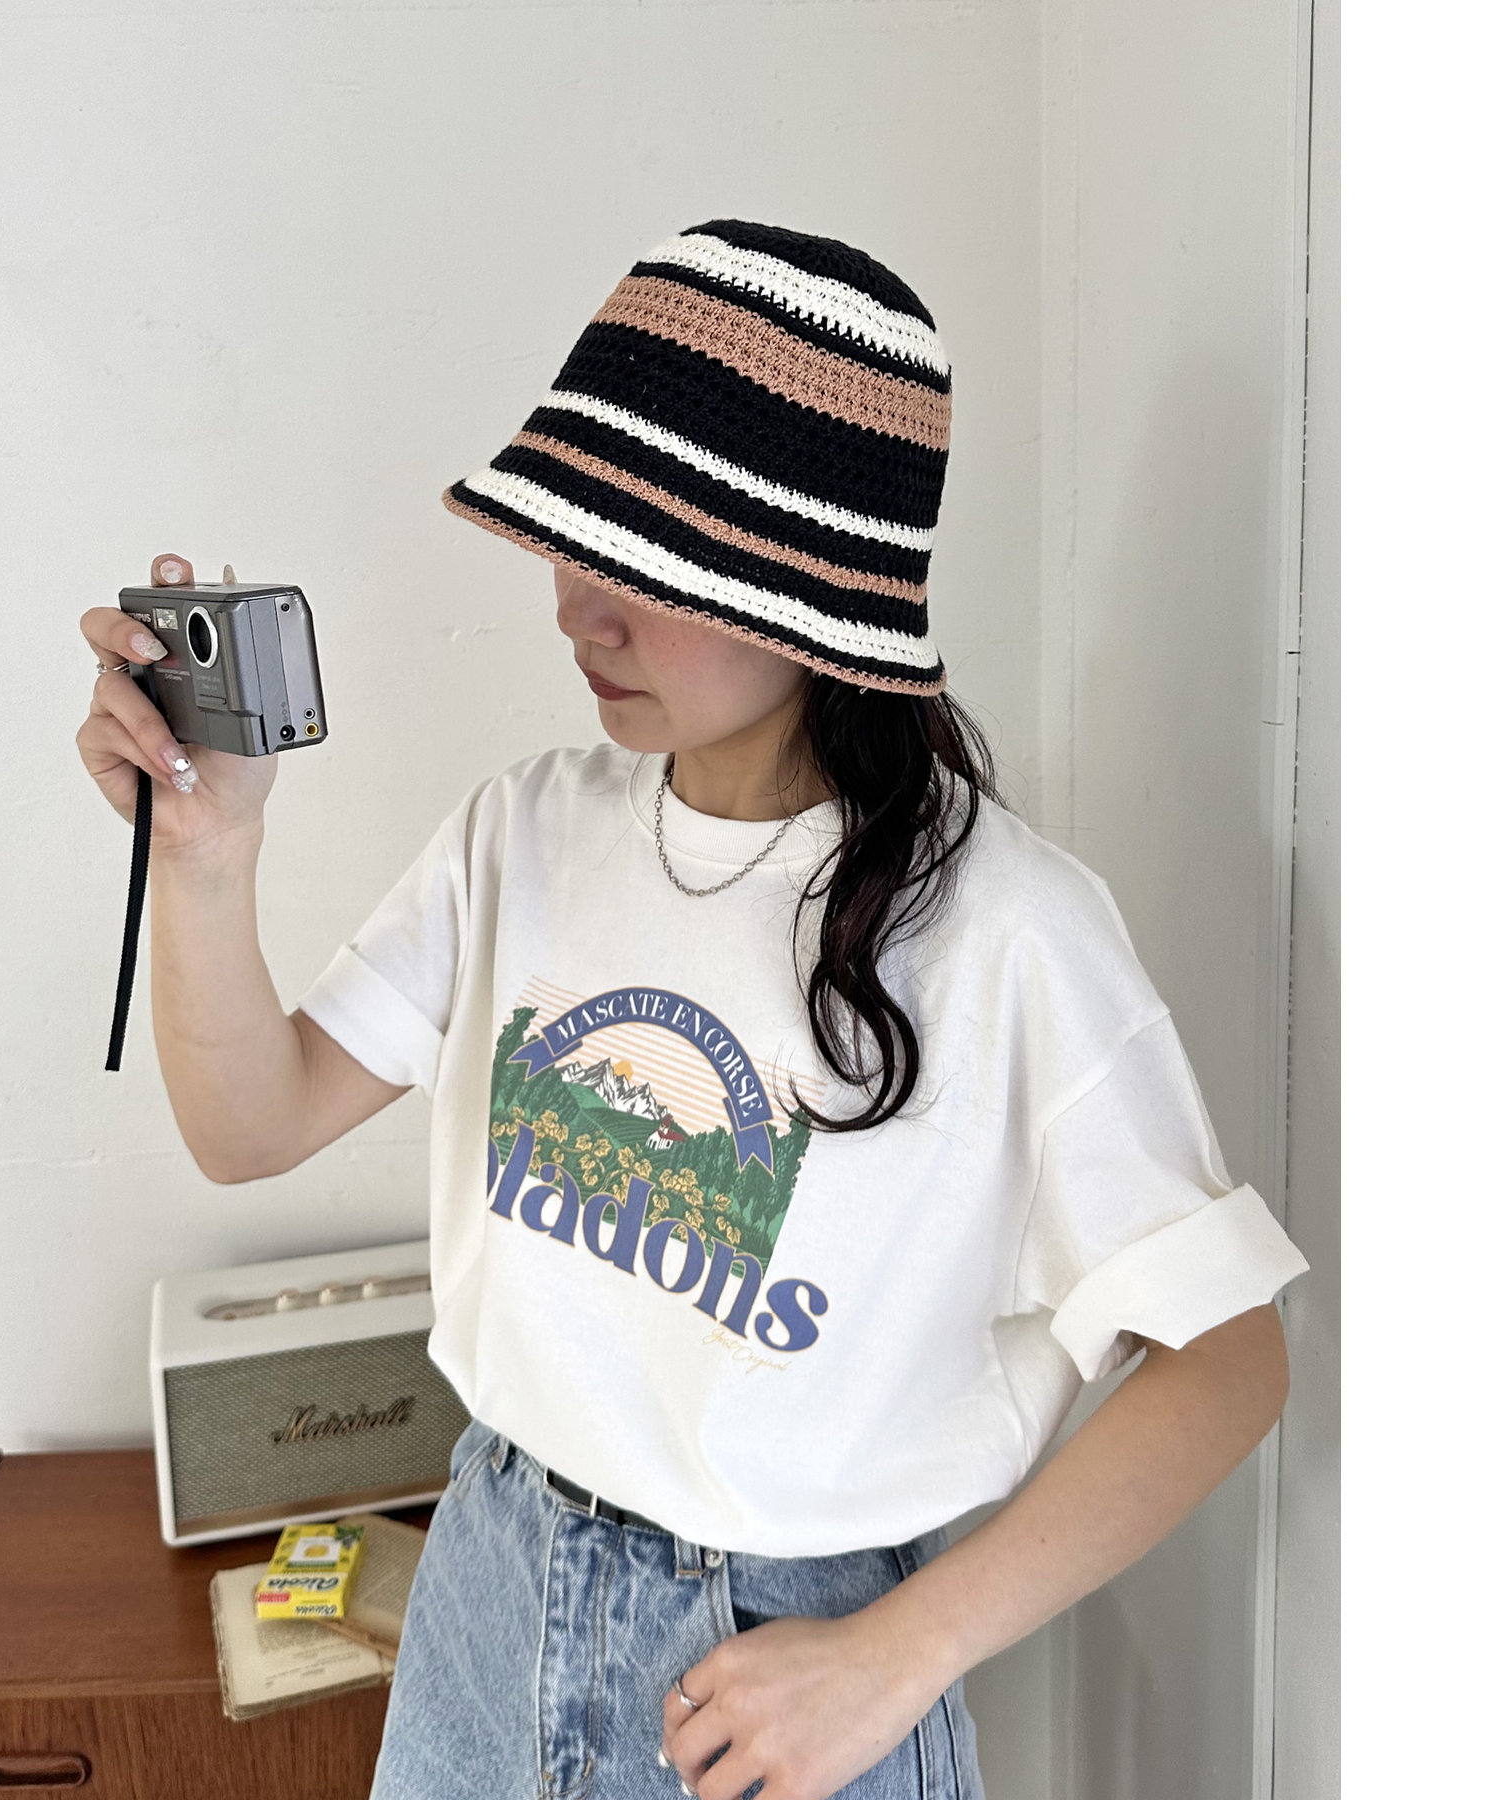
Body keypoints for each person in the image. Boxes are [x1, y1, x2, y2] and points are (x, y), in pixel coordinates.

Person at [76, 220, 1309, 1800]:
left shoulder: (1009, 930)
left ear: (810, 589)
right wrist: (207, 855)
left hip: (782, 1671)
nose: (578, 614)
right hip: (487, 1594)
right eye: (570, 547)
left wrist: (904, 1653)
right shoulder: (524, 832)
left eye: (645, 568)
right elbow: (251, 1128)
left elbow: (1230, 1360)